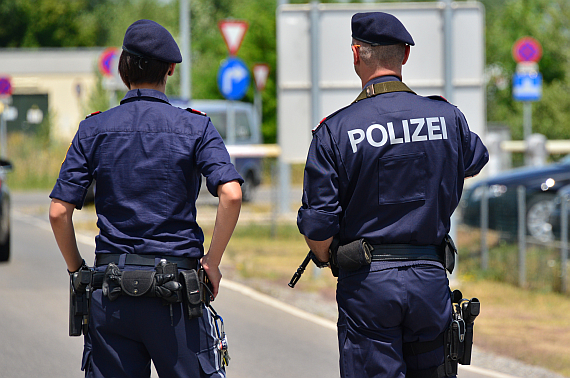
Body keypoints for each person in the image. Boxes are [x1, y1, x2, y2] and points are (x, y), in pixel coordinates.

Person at [297, 12, 488, 378]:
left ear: (356, 55)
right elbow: (474, 159)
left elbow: (319, 227)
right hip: (430, 278)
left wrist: (329, 257)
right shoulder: (446, 118)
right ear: (405, 55)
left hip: (368, 285)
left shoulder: (335, 131)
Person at [49, 19, 242, 378]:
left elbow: (59, 211)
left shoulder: (94, 128)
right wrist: (212, 263)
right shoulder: (196, 127)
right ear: (170, 69)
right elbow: (231, 194)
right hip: (177, 297)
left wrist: (78, 271)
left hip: (111, 292)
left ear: (123, 68)